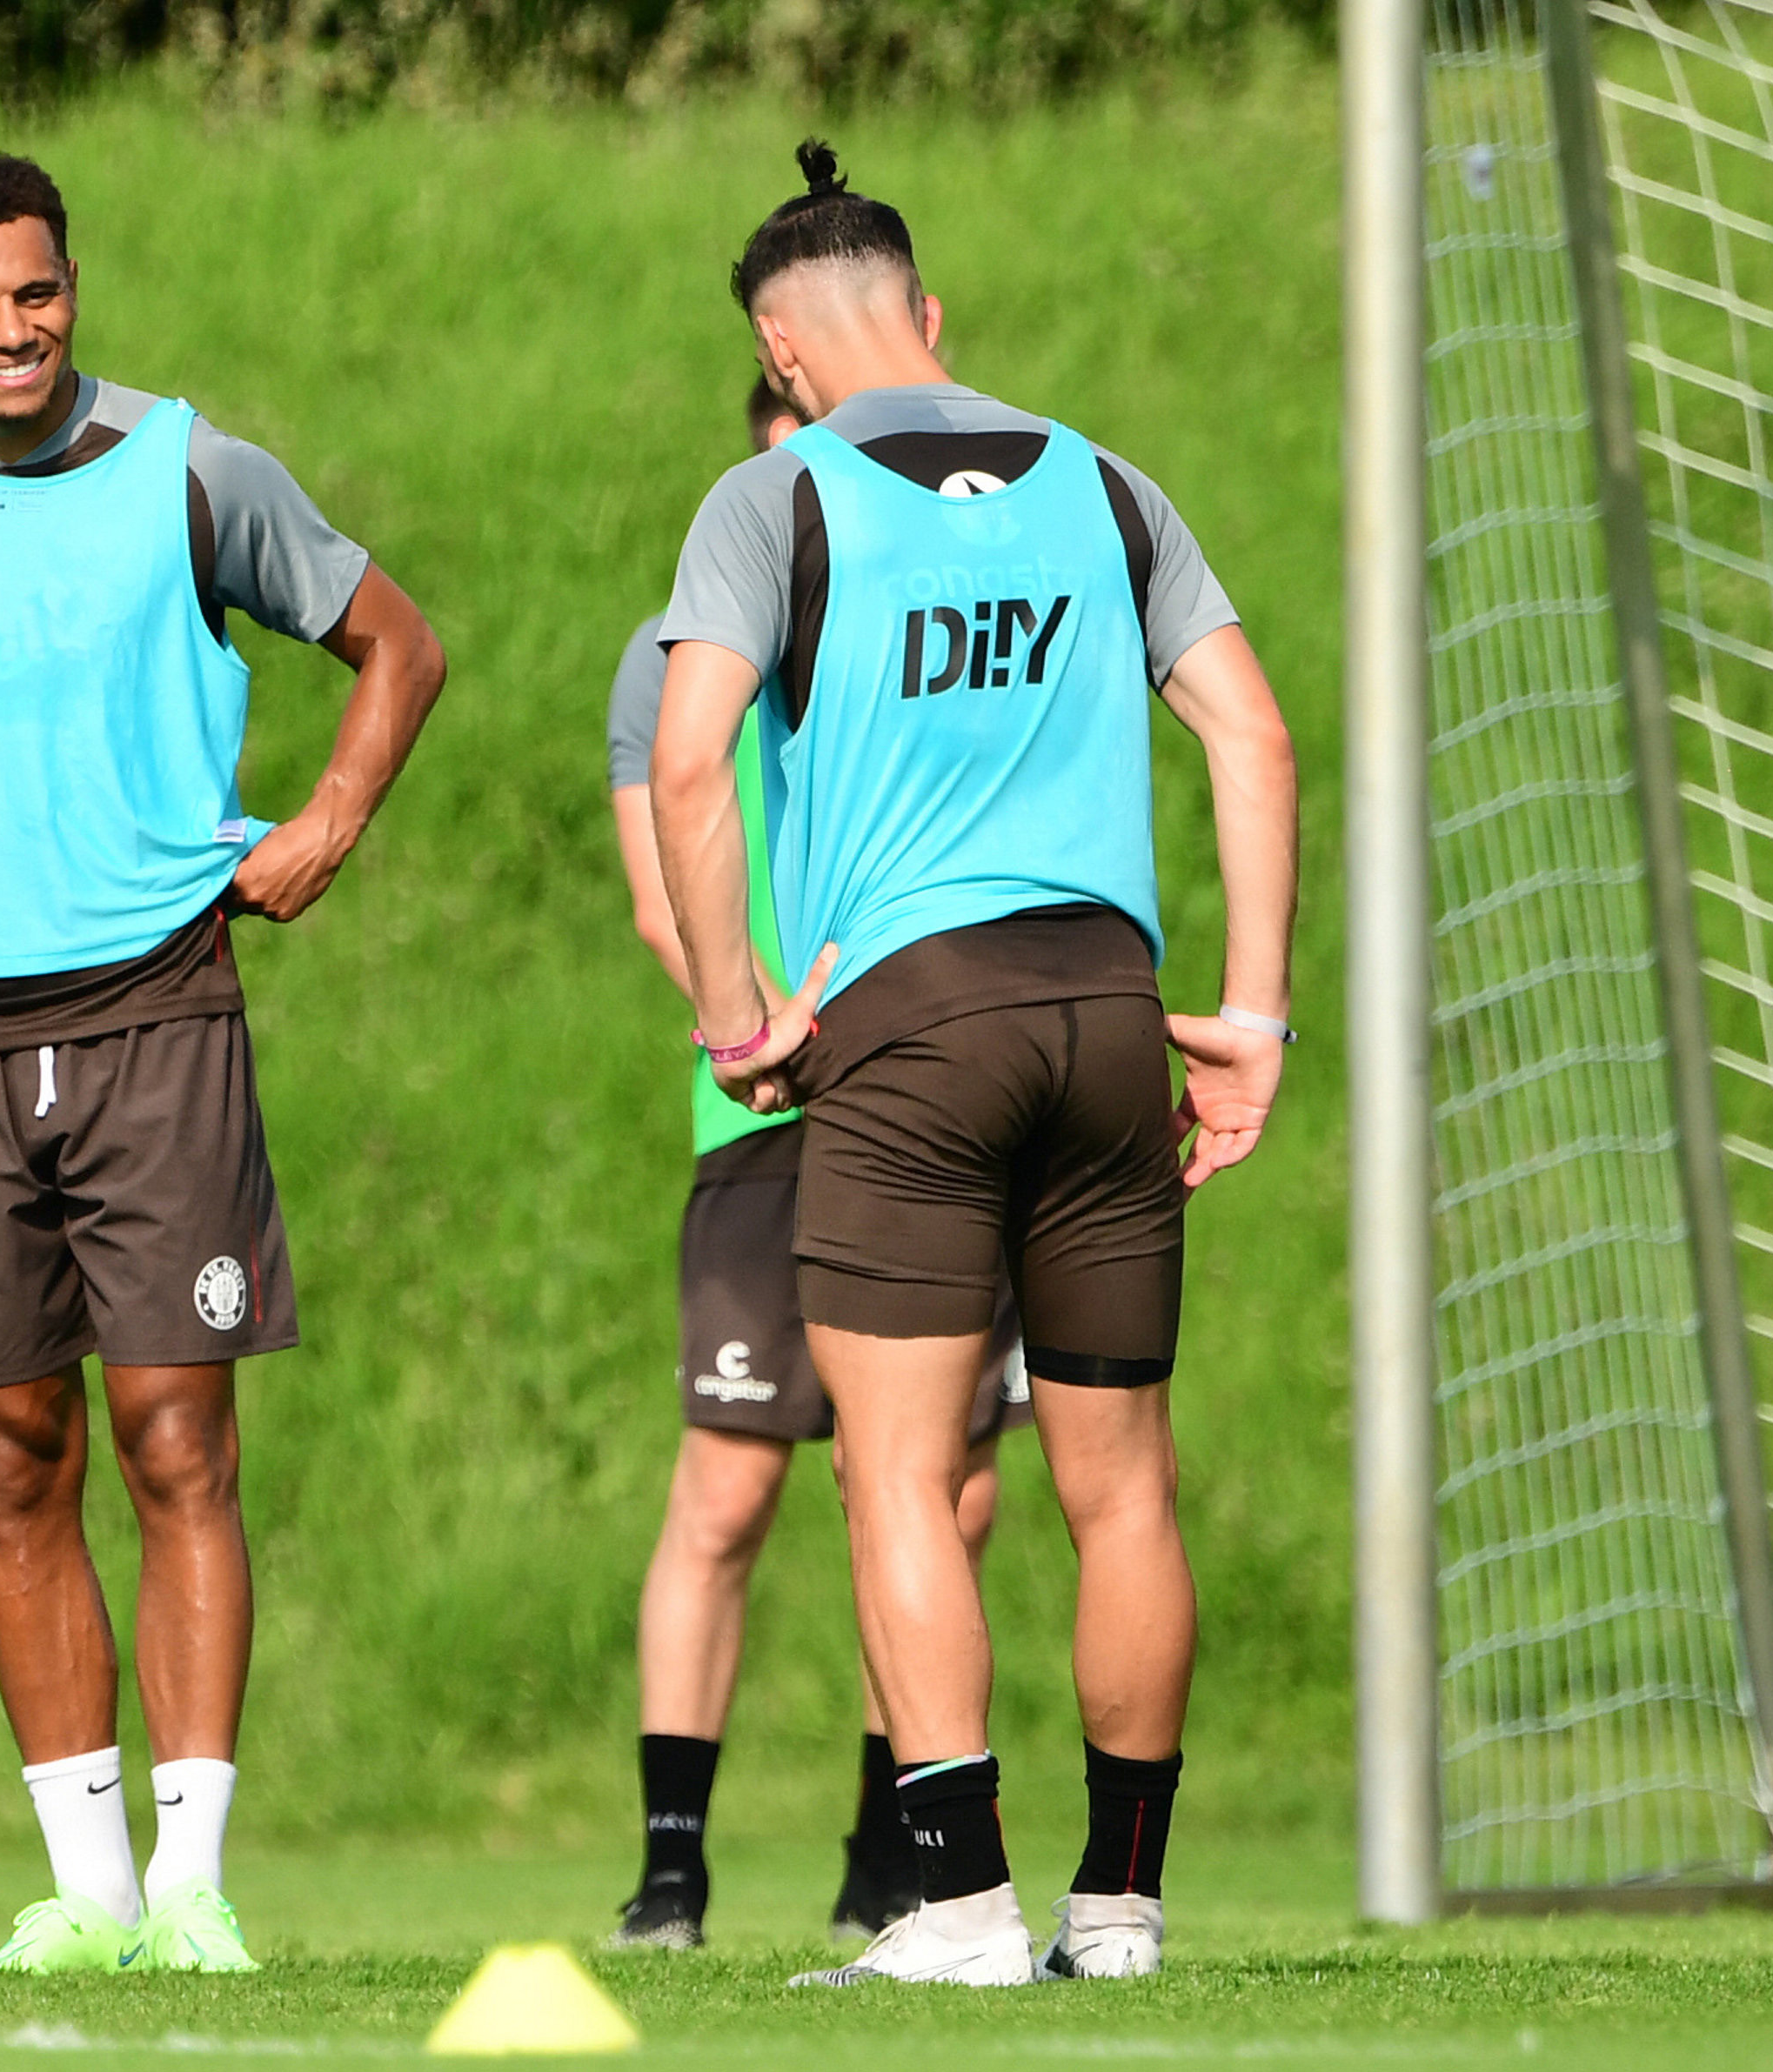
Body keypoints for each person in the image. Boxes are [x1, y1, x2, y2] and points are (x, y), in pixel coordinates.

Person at [0, 151, 446, 1975]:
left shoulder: (189, 472)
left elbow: (394, 644)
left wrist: (329, 820)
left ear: (73, 284)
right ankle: (88, 1895)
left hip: (153, 1011)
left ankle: (195, 1883)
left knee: (172, 1433)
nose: (8, 329)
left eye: (32, 293)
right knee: (7, 1449)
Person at [650, 143, 1297, 1988]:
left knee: (896, 1476)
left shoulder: (771, 501)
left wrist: (737, 1010)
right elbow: (1249, 741)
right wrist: (1245, 1019)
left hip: (909, 1031)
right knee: (1120, 1484)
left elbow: (690, 766)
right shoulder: (1101, 484)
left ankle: (956, 1910)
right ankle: (1120, 1910)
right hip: (1109, 1011)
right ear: (926, 320)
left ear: (781, 358)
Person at [606, 376, 1035, 1955]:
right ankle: (670, 1872)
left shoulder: (935, 609)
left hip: (922, 1100)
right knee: (723, 1492)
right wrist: (762, 1031)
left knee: (932, 1486)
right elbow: (666, 891)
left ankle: (891, 1857)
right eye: (783, 468)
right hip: (765, 1106)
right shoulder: (676, 654)